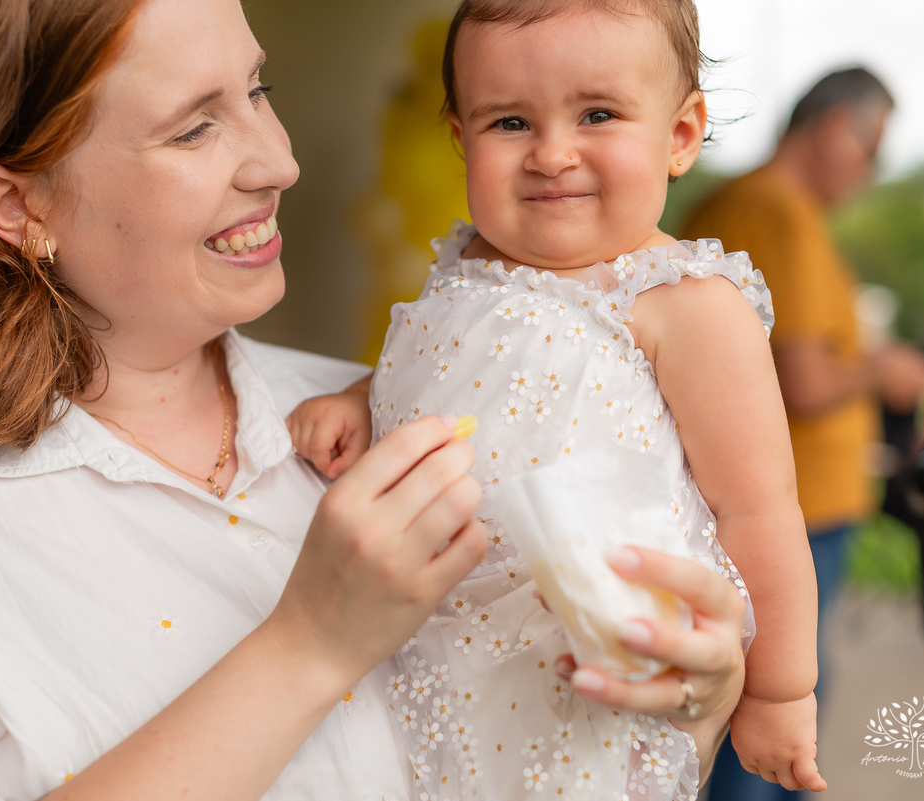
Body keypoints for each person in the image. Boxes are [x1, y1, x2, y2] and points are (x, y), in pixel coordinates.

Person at [0, 0, 750, 799]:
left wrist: (689, 694)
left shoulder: (379, 414)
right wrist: (308, 645)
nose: (280, 161)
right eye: (194, 127)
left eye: (256, 90)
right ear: (17, 207)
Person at [286, 1, 826, 799]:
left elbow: (761, 510)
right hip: (436, 657)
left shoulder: (685, 303)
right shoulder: (469, 260)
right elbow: (461, 376)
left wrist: (781, 689)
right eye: (509, 122)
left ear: (678, 137)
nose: (552, 153)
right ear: (460, 137)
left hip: (592, 672)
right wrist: (365, 397)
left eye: (597, 114)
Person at [680, 68, 924, 801]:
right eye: (874, 152)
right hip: (793, 515)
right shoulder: (776, 211)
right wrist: (885, 366)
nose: (871, 174)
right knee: (769, 735)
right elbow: (804, 381)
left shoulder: (758, 205)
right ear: (836, 131)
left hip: (798, 507)